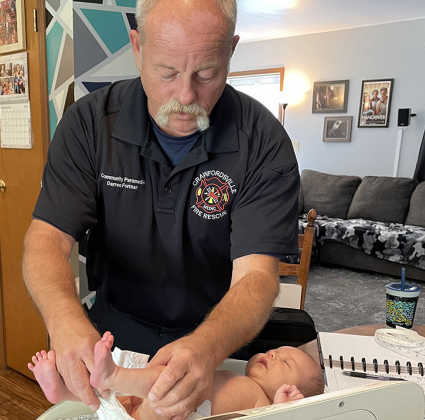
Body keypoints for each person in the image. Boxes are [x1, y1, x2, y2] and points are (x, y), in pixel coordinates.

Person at [22, 0, 300, 417]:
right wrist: (63, 319)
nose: (186, 96)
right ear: (137, 47)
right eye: (166, 72)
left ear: (231, 51)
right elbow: (46, 240)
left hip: (214, 339)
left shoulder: (264, 142)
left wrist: (207, 348)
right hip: (114, 333)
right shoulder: (89, 126)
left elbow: (258, 278)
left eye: (206, 73)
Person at [29, 332, 324, 419]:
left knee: (169, 381)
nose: (273, 354)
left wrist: (285, 408)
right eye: (277, 350)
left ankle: (113, 375)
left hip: (170, 413)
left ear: (289, 389)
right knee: (109, 400)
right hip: (137, 408)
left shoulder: (262, 401)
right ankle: (65, 392)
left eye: (285, 363)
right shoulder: (237, 375)